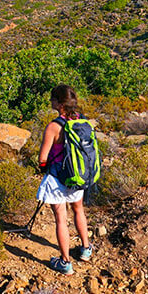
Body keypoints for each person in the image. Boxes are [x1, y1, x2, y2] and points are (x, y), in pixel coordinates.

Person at [37, 84, 92, 275]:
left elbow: (43, 158)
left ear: (59, 103)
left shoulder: (54, 126)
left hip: (58, 177)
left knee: (61, 218)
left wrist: (43, 169)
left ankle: (65, 262)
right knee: (79, 210)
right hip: (77, 175)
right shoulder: (81, 120)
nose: (50, 101)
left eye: (52, 99)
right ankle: (85, 249)